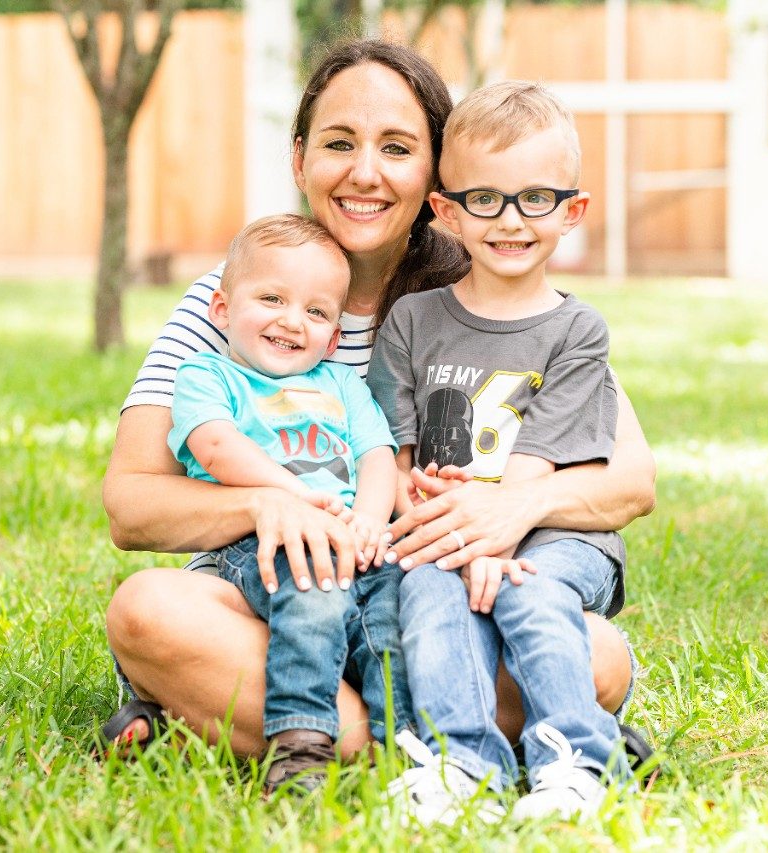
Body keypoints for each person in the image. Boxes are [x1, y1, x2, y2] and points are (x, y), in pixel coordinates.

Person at [98, 39, 655, 764]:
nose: (364, 172)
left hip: (439, 604)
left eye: (397, 147)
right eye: (338, 143)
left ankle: (266, 721)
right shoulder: (236, 301)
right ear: (299, 161)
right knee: (146, 611)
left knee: (599, 655)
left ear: (439, 175)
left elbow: (629, 478)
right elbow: (130, 504)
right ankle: (426, 732)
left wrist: (509, 508)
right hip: (273, 598)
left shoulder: (494, 292)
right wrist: (266, 504)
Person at [369, 80, 630, 825]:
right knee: (424, 589)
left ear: (572, 211)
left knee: (527, 590)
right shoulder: (413, 322)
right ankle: (463, 764)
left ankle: (578, 760)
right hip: (444, 529)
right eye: (484, 199)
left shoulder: (578, 332)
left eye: (535, 198)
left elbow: (536, 463)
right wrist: (448, 536)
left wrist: (493, 532)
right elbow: (396, 451)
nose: (511, 220)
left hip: (554, 535)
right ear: (445, 210)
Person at [165, 213, 412, 791]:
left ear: (333, 337)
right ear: (223, 310)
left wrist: (371, 521)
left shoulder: (340, 384)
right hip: (260, 542)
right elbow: (217, 445)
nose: (291, 321)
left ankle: (403, 740)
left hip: (352, 537)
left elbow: (377, 455)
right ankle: (299, 743)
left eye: (316, 311)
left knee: (395, 614)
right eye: (271, 298)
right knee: (314, 596)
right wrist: (300, 498)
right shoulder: (209, 375)